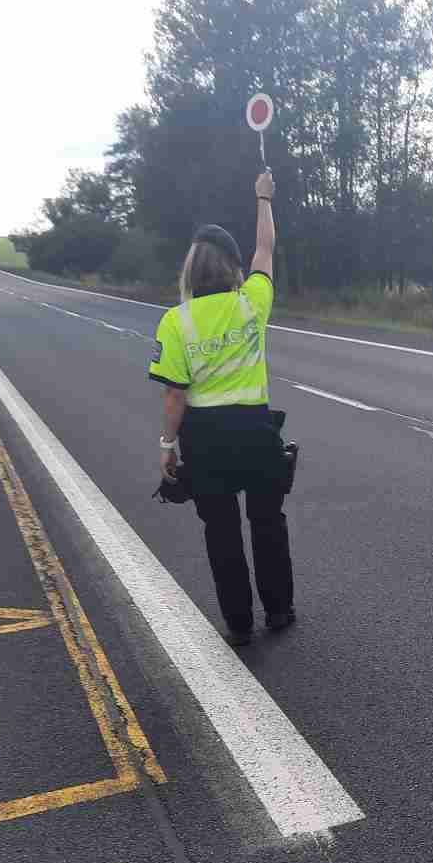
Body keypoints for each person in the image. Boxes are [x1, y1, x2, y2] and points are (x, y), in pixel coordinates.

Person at [149, 170, 293, 646]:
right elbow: (266, 251)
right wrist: (263, 199)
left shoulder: (176, 321)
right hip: (255, 431)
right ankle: (278, 611)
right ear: (233, 268)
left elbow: (174, 395)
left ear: (190, 271)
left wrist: (168, 446)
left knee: (222, 531)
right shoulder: (253, 303)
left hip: (205, 438)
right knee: (268, 521)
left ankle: (238, 623)